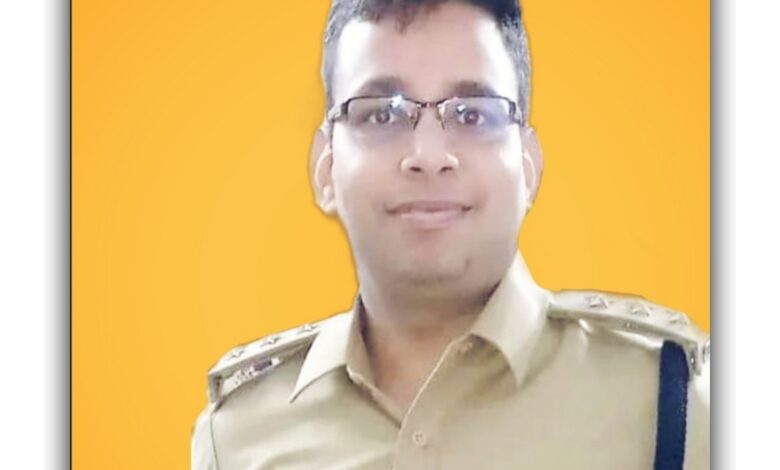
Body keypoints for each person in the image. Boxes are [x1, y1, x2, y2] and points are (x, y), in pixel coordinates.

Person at [191, 1, 710, 469]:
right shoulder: (238, 434)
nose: (429, 156)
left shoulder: (673, 399)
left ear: (528, 167)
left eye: (472, 114)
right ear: (325, 169)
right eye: (382, 114)